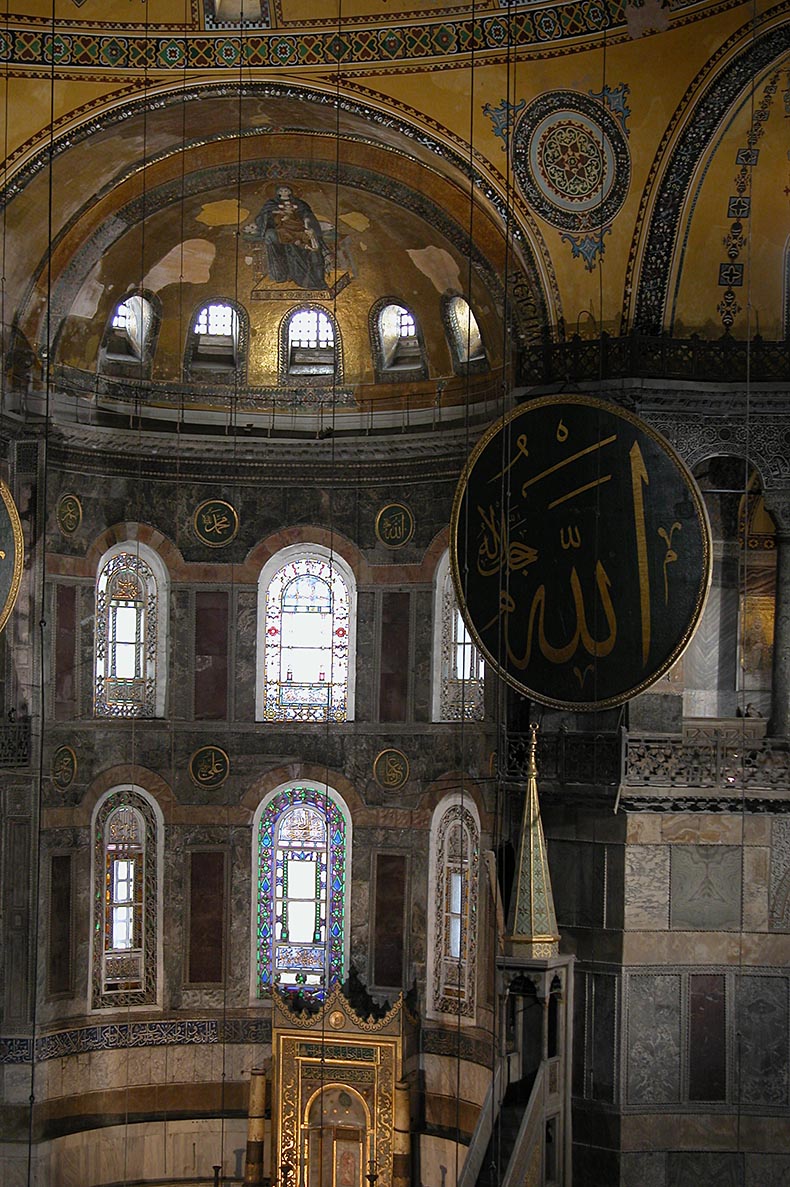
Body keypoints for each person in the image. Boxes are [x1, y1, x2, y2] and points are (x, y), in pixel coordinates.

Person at [253, 185, 328, 290]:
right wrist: (275, 214)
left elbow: (307, 215)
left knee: (308, 241)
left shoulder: (300, 204)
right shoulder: (271, 204)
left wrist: (306, 221)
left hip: (297, 228)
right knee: (274, 236)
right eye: (281, 190)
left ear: (290, 192)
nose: (284, 192)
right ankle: (280, 273)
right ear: (278, 192)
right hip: (282, 228)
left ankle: (311, 275)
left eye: (286, 190)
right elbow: (263, 217)